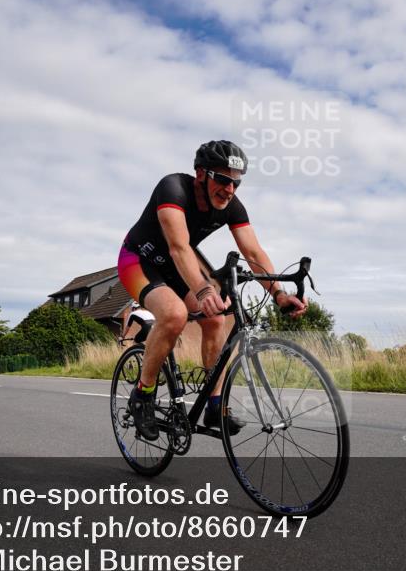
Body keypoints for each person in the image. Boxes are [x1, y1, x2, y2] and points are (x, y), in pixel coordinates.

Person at [117, 140, 307, 441]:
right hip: (139, 260)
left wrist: (278, 295)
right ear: (201, 174)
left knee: (217, 318)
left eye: (236, 182)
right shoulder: (173, 189)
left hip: (177, 267)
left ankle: (215, 405)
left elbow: (253, 252)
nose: (229, 189)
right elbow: (179, 248)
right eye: (222, 179)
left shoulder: (232, 206)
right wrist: (204, 290)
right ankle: (142, 395)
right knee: (174, 315)